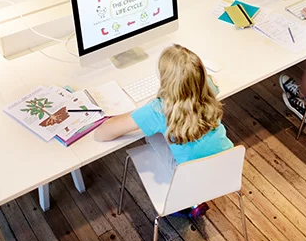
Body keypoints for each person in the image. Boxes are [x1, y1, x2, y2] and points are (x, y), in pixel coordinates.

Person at [95, 44, 233, 218]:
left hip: (188, 177)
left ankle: (185, 203)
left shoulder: (158, 109)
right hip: (227, 167)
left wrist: (138, 112)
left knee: (152, 137)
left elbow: (102, 134)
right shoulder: (208, 88)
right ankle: (194, 199)